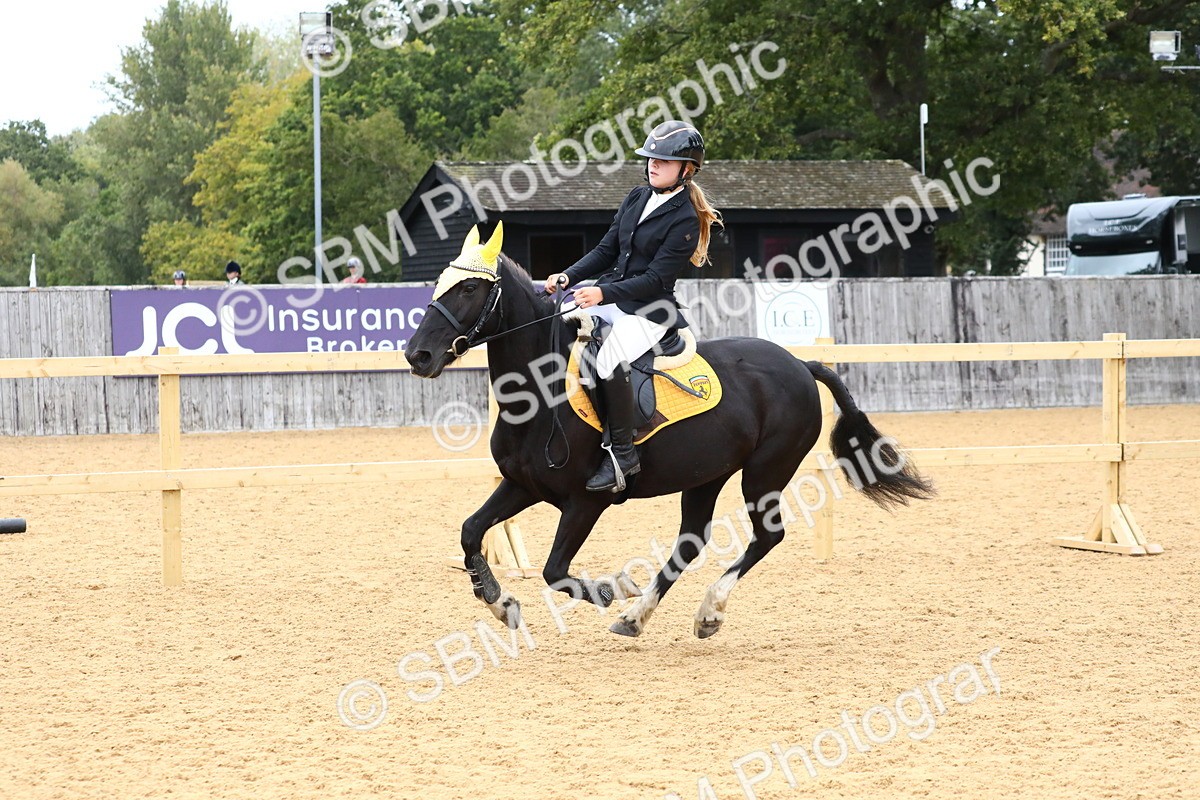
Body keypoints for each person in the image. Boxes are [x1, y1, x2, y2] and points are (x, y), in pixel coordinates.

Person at [543, 119, 723, 493]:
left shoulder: (685, 219)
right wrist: (569, 276)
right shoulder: (636, 197)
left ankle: (622, 454)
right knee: (560, 327)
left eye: (663, 160)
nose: (653, 165)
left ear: (686, 170)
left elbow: (656, 279)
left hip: (649, 310)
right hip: (613, 297)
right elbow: (606, 250)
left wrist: (602, 295)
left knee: (608, 360)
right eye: (650, 158)